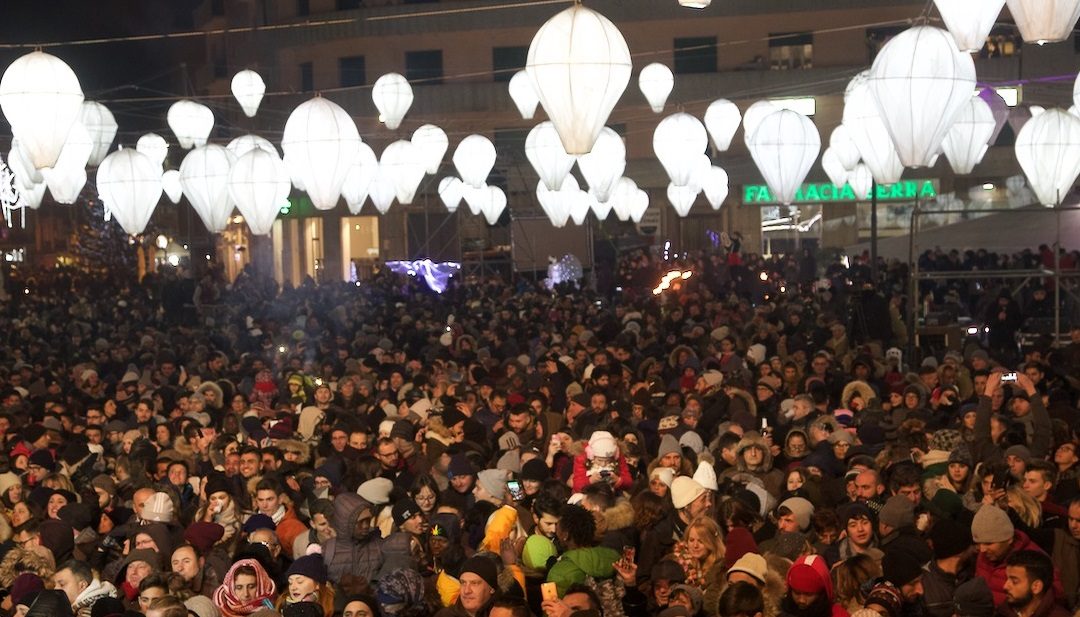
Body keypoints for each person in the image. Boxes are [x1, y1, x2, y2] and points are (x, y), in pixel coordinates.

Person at [1002, 550, 1070, 617]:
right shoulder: (1002, 612)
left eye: (1014, 582)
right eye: (1007, 579)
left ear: (1036, 587)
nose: (1005, 586)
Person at [52, 560, 118, 617]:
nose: (55, 589)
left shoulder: (92, 611)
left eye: (62, 584)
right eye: (54, 585)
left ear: (82, 586)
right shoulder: (73, 609)